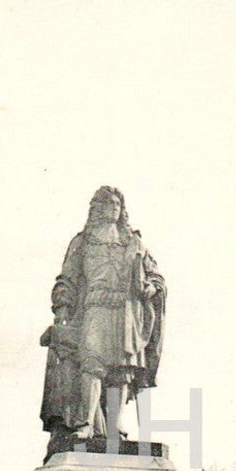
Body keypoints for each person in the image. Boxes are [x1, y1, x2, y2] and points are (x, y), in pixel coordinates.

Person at [39, 187, 165, 446]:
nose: (113, 207)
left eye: (118, 203)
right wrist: (62, 309)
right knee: (91, 364)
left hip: (126, 310)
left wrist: (152, 286)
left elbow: (155, 275)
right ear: (96, 208)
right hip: (94, 308)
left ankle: (113, 428)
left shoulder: (133, 242)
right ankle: (85, 424)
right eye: (107, 203)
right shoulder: (83, 242)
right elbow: (67, 279)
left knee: (120, 370)